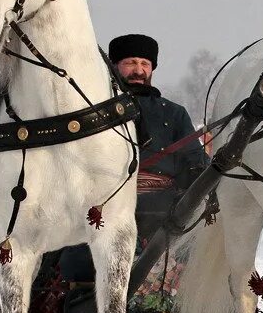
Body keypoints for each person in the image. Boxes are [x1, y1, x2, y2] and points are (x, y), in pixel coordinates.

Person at [58, 34, 207, 282]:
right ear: (114, 66)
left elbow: (194, 162)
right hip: (102, 211)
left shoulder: (174, 113)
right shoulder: (91, 111)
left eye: (145, 64)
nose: (139, 70)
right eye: (130, 63)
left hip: (163, 216)